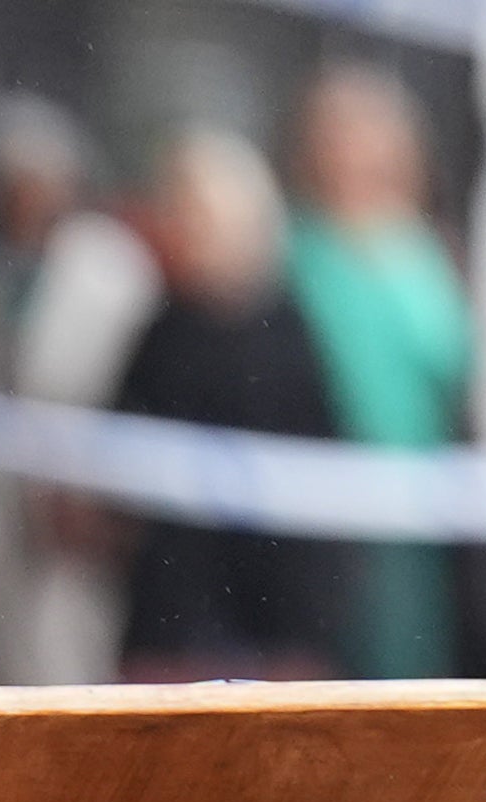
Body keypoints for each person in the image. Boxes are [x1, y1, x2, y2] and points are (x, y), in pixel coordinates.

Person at [107, 129, 351, 679]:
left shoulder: (286, 332)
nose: (184, 233)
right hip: (172, 614)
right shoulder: (164, 326)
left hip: (276, 619)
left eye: (199, 219)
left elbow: (323, 475)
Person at [286, 65, 477, 680]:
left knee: (408, 666)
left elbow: (454, 363)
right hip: (322, 506)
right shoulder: (299, 249)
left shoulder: (419, 250)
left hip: (415, 509)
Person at [0, 96, 161, 685]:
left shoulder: (109, 266)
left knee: (79, 655)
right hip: (9, 518)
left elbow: (135, 388)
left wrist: (96, 498)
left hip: (91, 506)